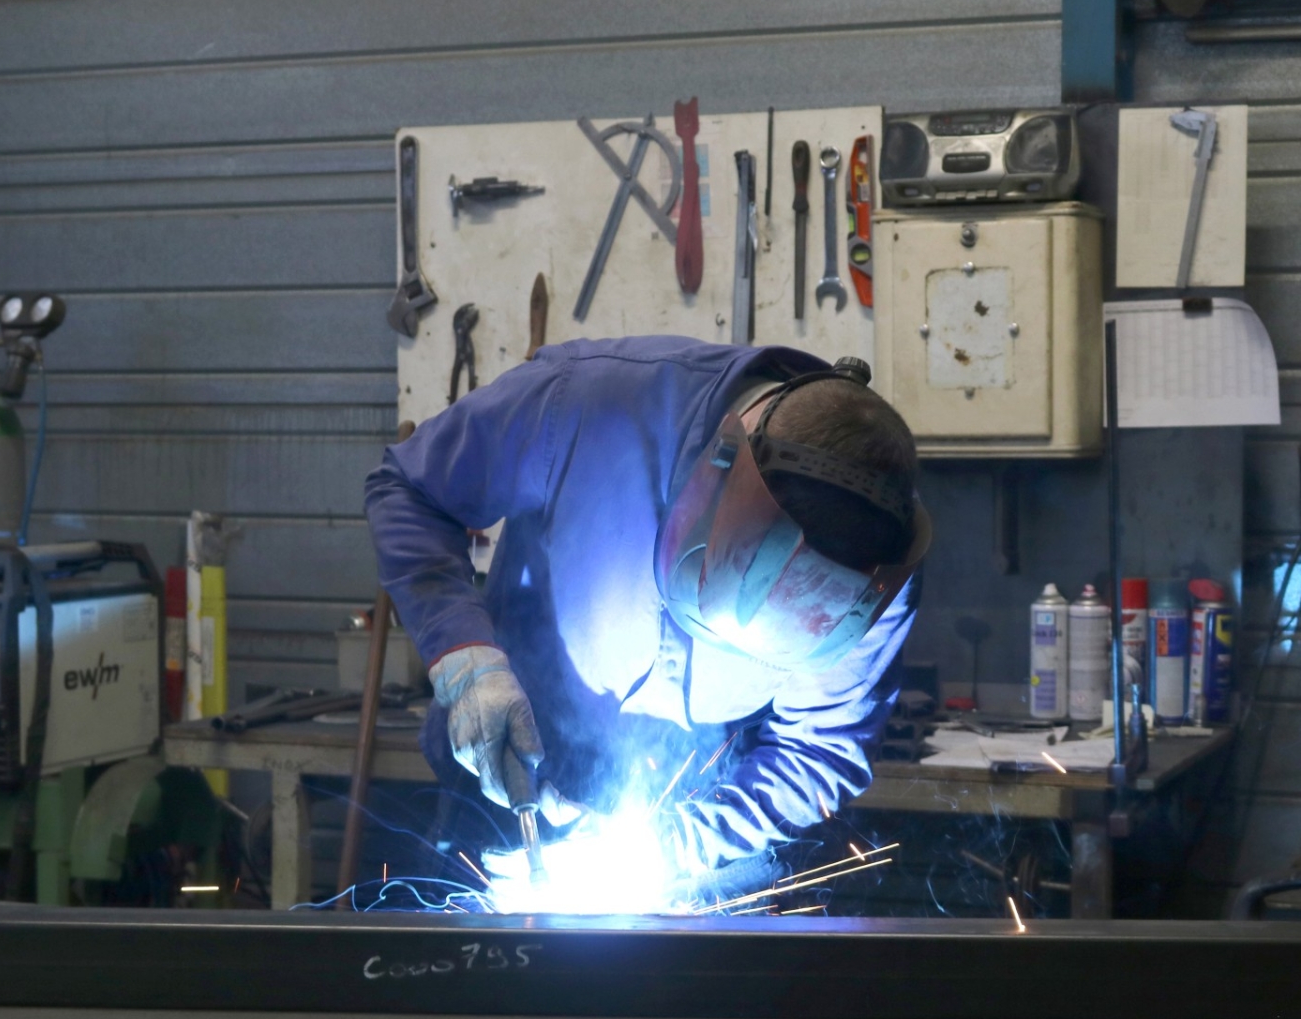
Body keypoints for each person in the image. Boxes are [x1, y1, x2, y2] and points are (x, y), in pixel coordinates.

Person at [364, 335, 928, 880]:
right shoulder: (586, 405)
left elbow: (821, 747)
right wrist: (466, 660)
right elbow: (411, 488)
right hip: (510, 765)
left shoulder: (876, 567)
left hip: (712, 813)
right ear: (716, 468)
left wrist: (679, 846)